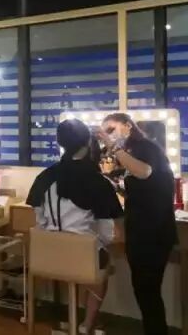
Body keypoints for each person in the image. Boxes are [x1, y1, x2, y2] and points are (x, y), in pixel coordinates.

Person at [27, 119, 123, 334]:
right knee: (100, 261)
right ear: (88, 143)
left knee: (84, 261)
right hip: (82, 259)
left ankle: (74, 320)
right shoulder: (99, 182)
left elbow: (40, 221)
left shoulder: (45, 177)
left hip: (48, 255)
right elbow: (107, 234)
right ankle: (86, 325)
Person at [97, 113, 177, 335]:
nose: (109, 136)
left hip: (153, 232)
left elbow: (144, 172)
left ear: (128, 126)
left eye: (111, 129)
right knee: (144, 291)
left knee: (147, 291)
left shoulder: (146, 148)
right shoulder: (131, 153)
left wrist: (113, 147)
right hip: (141, 231)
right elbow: (137, 188)